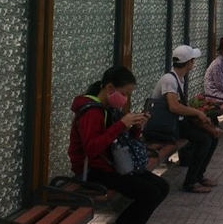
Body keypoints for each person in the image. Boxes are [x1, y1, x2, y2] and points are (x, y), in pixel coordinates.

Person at [68, 66, 169, 224]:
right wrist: (121, 124)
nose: (125, 99)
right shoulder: (92, 112)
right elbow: (91, 149)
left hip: (111, 165)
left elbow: (120, 141)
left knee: (162, 187)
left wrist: (136, 127)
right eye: (123, 94)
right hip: (92, 171)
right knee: (149, 194)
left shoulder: (108, 109)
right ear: (110, 88)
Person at [150, 45, 218, 193]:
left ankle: (198, 176)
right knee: (204, 139)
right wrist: (197, 113)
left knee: (212, 136)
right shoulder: (169, 79)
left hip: (174, 123)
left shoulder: (178, 78)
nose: (194, 63)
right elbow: (174, 107)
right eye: (193, 60)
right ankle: (191, 182)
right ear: (188, 62)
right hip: (165, 126)